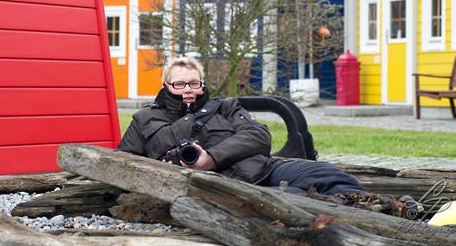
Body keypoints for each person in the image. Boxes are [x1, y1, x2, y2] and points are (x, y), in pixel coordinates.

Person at [117, 56, 366, 196]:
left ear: (202, 84)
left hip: (262, 172)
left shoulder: (224, 106)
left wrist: (212, 158)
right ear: (166, 85)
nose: (188, 90)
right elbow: (121, 164)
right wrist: (153, 170)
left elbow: (259, 137)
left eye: (194, 83)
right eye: (179, 84)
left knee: (325, 173)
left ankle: (378, 206)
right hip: (210, 191)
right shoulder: (144, 119)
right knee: (299, 197)